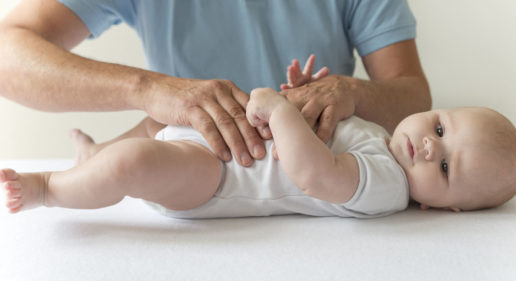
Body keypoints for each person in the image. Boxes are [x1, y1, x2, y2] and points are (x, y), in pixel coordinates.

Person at [0, 0, 431, 167]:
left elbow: (413, 97)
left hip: (314, 183)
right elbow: (7, 52)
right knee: (143, 139)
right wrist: (150, 89)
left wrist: (350, 92)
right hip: (191, 174)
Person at [0, 84, 516, 218]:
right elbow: (322, 136)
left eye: (444, 165)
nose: (430, 144)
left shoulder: (388, 188)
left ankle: (49, 189)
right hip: (221, 148)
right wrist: (302, 98)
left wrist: (280, 113)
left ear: (446, 205)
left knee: (132, 165)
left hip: (216, 180)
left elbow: (314, 173)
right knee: (155, 123)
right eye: (440, 126)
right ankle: (88, 158)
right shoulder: (381, 139)